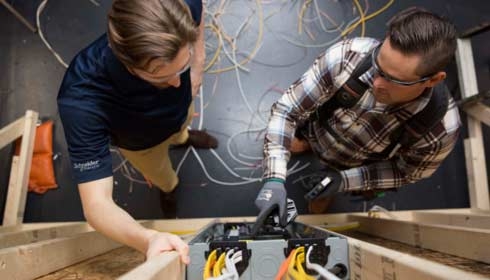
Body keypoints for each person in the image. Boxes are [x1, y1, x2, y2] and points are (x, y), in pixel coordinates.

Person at [255, 8, 461, 223]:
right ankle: (306, 144)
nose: (376, 83)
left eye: (395, 80)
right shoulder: (346, 57)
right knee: (293, 141)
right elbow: (287, 111)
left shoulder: (441, 130)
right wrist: (274, 178)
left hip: (355, 165)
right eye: (378, 65)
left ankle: (330, 188)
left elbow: (406, 173)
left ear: (433, 80)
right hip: (319, 131)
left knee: (328, 187)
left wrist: (343, 181)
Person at [57, 0, 216, 262]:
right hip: (142, 145)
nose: (178, 84)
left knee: (181, 129)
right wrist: (148, 238)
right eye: (163, 77)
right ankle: (169, 189)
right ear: (130, 66)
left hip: (177, 116)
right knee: (164, 176)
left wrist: (196, 64)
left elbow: (196, 18)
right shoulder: (82, 97)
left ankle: (184, 137)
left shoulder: (174, 10)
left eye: (181, 68)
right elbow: (97, 205)